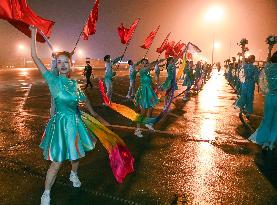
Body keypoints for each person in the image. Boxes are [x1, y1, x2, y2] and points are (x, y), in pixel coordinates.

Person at [30, 26, 98, 205]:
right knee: (57, 161)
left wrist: (93, 112)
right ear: (56, 64)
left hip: (75, 123)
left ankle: (73, 174)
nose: (62, 64)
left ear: (70, 65)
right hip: (60, 125)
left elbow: (85, 98)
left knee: (75, 156)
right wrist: (33, 34)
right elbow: (35, 57)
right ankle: (46, 192)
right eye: (59, 62)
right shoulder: (52, 80)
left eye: (65, 62)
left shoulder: (74, 84)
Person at [249, 51, 277, 151]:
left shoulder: (268, 68)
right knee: (276, 121)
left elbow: (262, 82)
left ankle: (265, 142)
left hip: (270, 97)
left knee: (267, 119)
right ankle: (272, 142)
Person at [134, 58, 163, 137]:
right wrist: (158, 62)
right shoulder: (142, 71)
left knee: (150, 108)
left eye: (146, 63)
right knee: (143, 112)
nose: (145, 64)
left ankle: (147, 123)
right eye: (143, 63)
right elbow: (151, 65)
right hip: (143, 92)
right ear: (141, 64)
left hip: (149, 91)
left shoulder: (147, 73)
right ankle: (137, 129)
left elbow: (150, 83)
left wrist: (156, 87)